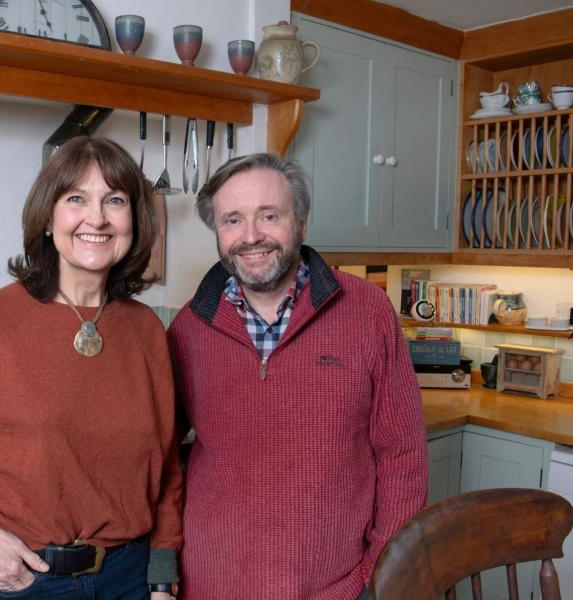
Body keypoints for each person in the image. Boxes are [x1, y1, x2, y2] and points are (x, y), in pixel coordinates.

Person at [0, 137, 182, 600]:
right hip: (28, 580)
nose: (97, 217)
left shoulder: (147, 330)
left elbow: (165, 465)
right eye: (76, 199)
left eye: (115, 200)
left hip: (131, 577)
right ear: (48, 218)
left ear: (134, 219)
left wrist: (162, 577)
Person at [166, 153, 428, 599]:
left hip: (337, 589)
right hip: (210, 586)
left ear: (301, 224)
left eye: (269, 215)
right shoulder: (189, 330)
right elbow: (157, 458)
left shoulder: (367, 313)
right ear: (217, 233)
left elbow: (403, 454)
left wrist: (380, 577)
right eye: (232, 220)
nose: (251, 236)